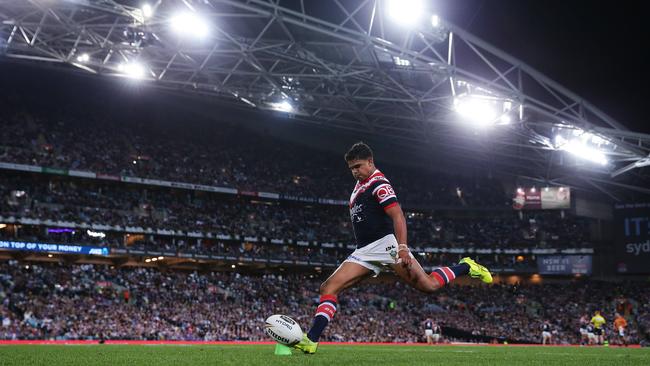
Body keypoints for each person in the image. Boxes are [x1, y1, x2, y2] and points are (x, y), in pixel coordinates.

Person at [293, 142, 492, 354]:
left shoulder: (379, 184)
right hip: (364, 251)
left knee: (429, 285)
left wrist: (403, 248)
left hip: (387, 246)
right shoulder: (360, 184)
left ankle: (466, 266)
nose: (354, 172)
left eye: (358, 166)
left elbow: (397, 215)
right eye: (351, 168)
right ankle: (311, 340)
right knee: (328, 287)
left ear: (370, 162)